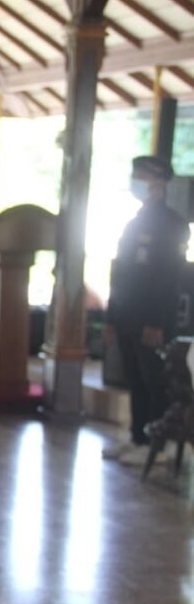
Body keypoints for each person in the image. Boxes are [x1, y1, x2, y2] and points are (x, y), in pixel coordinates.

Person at [103, 155, 189, 467]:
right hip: (127, 314)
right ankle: (137, 436)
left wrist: (156, 322)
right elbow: (121, 274)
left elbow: (168, 278)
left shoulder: (173, 225)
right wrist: (111, 318)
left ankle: (158, 443)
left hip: (152, 319)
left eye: (142, 177)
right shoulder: (135, 221)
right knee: (135, 378)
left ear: (159, 183)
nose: (137, 183)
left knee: (155, 381)